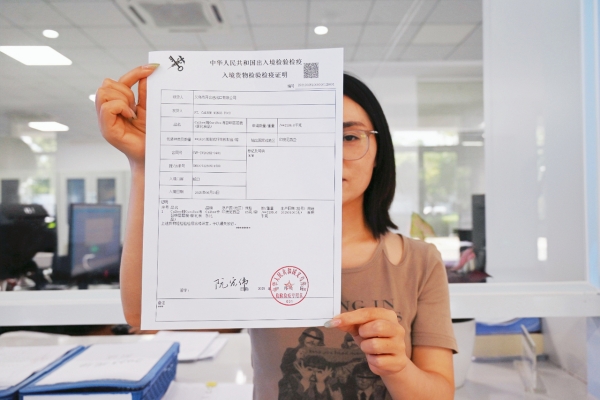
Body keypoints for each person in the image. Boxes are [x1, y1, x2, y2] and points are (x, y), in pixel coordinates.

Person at [96, 64, 457, 399]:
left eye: (349, 136)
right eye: (308, 137)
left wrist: (397, 367)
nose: (330, 154)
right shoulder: (253, 245)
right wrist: (145, 165)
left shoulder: (419, 262)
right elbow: (142, 314)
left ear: (378, 152)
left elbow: (440, 393)